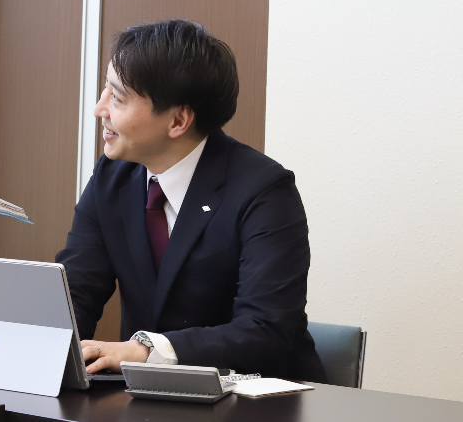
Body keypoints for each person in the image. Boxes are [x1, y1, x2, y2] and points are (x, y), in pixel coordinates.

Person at [56, 20, 326, 382]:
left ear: (178, 120)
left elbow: (264, 330)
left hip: (255, 401)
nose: (99, 109)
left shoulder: (263, 191)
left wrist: (145, 352)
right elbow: (76, 292)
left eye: (117, 98)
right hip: (146, 399)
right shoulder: (112, 178)